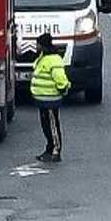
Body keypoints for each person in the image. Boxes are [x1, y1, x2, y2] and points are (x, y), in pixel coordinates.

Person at [30, 33, 69, 162]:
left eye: (38, 45)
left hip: (50, 99)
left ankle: (55, 151)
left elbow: (60, 78)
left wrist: (63, 89)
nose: (37, 47)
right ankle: (49, 148)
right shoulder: (43, 57)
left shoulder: (53, 59)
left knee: (52, 126)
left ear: (43, 45)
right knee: (46, 125)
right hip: (43, 99)